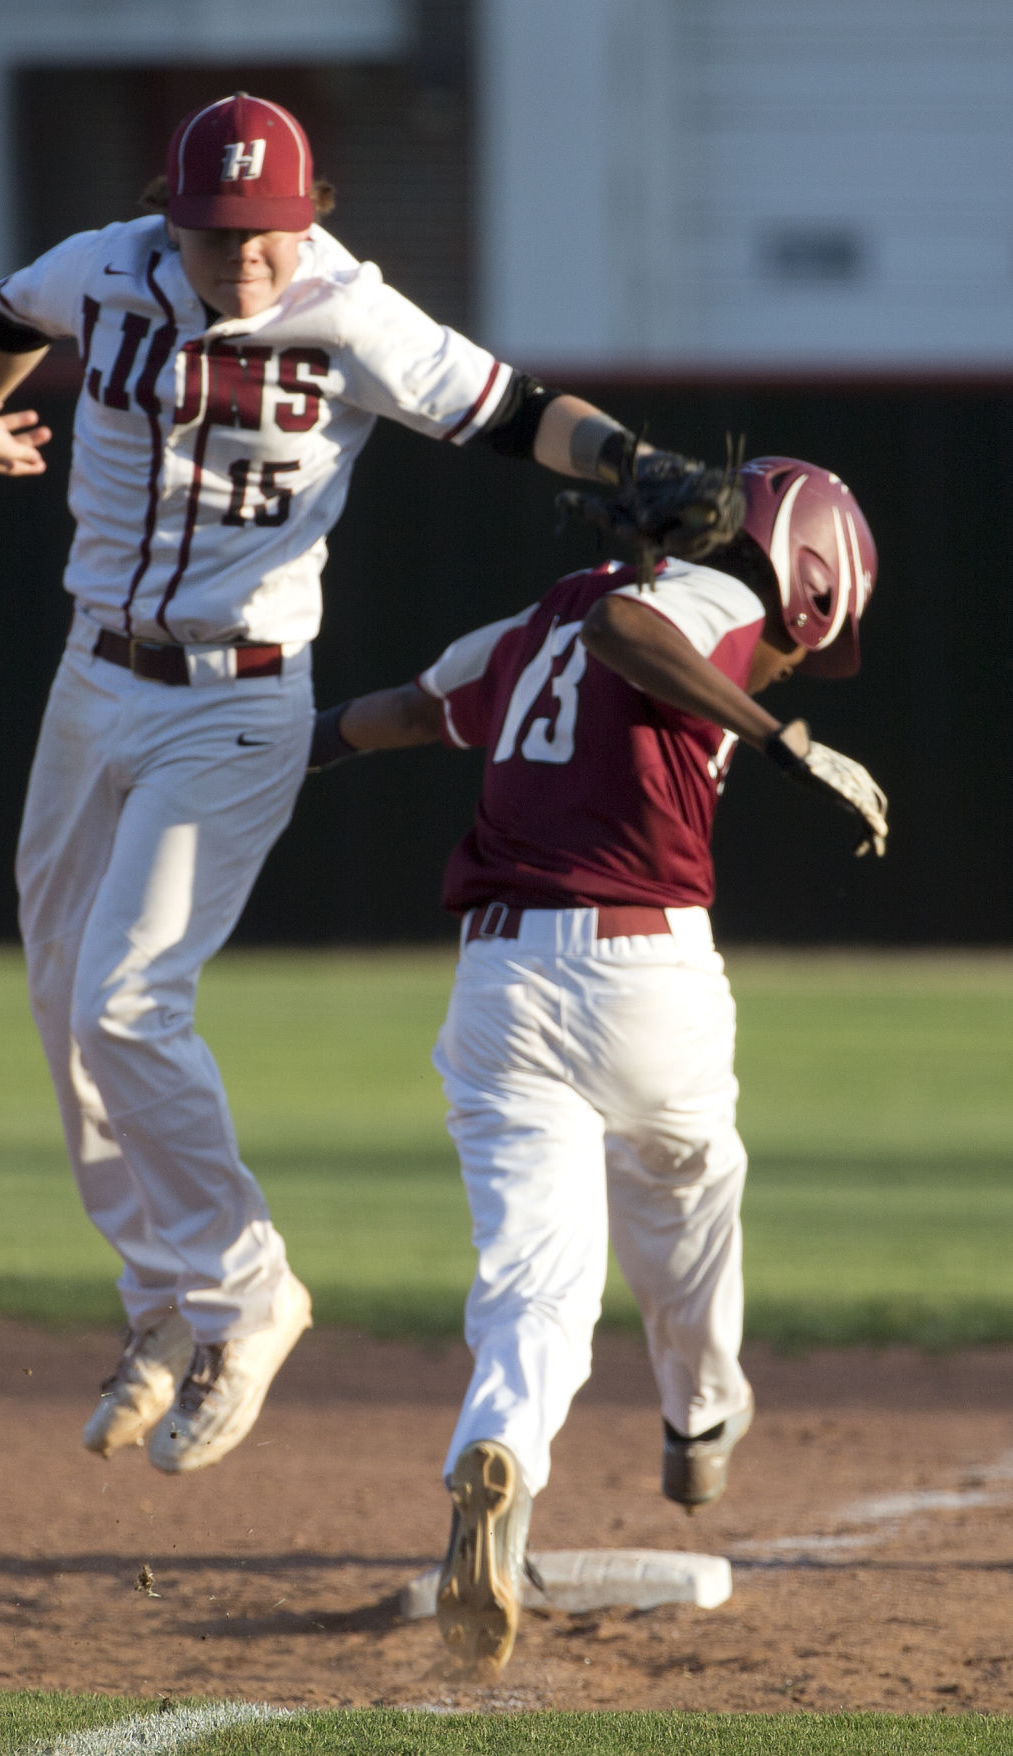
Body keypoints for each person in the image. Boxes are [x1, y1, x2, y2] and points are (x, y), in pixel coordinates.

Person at [0, 91, 726, 1476]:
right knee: (66, 1000)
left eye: (268, 232)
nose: (243, 257)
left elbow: (512, 410)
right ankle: (164, 1303)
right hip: (91, 674)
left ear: (313, 219)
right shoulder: (106, 266)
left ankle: (248, 1296)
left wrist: (631, 461)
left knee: (130, 995)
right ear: (168, 214)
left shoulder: (353, 314)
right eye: (217, 230)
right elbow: (9, 313)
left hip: (237, 696)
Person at [308, 456, 887, 1672]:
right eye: (809, 638)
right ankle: (701, 1413)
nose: (792, 658)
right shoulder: (717, 608)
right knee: (692, 1182)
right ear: (806, 587)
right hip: (644, 970)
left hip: (499, 984)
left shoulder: (534, 620)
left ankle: (502, 1452)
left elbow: (406, 712)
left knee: (537, 1286)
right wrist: (784, 738)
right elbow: (632, 627)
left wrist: (261, 760)